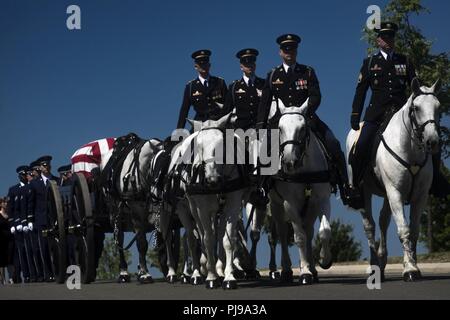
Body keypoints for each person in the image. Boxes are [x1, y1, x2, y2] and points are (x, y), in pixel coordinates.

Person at [349, 22, 450, 210]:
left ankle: (436, 180)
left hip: (402, 113)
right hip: (377, 114)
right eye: (384, 37)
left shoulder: (405, 61)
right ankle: (355, 187)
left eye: (391, 37)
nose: (388, 41)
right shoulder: (370, 63)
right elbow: (360, 92)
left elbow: (416, 88)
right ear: (378, 40)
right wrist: (355, 115)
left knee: (432, 140)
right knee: (360, 146)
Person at [256, 34, 355, 205]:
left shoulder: (307, 72)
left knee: (333, 143)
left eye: (292, 49)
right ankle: (263, 188)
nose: (289, 53)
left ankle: (344, 185)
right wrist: (260, 125)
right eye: (286, 49)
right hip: (280, 121)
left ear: (296, 51)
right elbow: (264, 103)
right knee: (266, 150)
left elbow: (316, 96)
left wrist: (305, 111)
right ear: (280, 52)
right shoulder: (273, 75)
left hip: (306, 117)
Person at [176, 49, 228, 130]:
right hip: (199, 124)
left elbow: (228, 105)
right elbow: (184, 111)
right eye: (200, 64)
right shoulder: (190, 87)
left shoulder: (220, 82)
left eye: (205, 64)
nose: (203, 66)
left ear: (209, 65)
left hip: (219, 121)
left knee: (232, 140)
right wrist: (179, 131)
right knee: (190, 142)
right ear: (196, 67)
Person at [28, 155, 58, 282]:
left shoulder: (56, 180)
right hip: (41, 219)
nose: (47, 167)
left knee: (56, 246)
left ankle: (58, 271)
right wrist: (30, 219)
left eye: (48, 165)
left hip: (55, 218)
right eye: (44, 165)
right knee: (44, 248)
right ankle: (48, 273)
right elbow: (31, 202)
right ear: (40, 168)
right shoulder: (34, 183)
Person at [225, 48, 265, 130]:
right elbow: (226, 111)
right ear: (241, 67)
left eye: (252, 63)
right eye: (246, 64)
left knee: (275, 141)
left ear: (255, 65)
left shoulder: (264, 84)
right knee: (227, 141)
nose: (249, 66)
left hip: (262, 128)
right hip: (240, 130)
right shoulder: (234, 87)